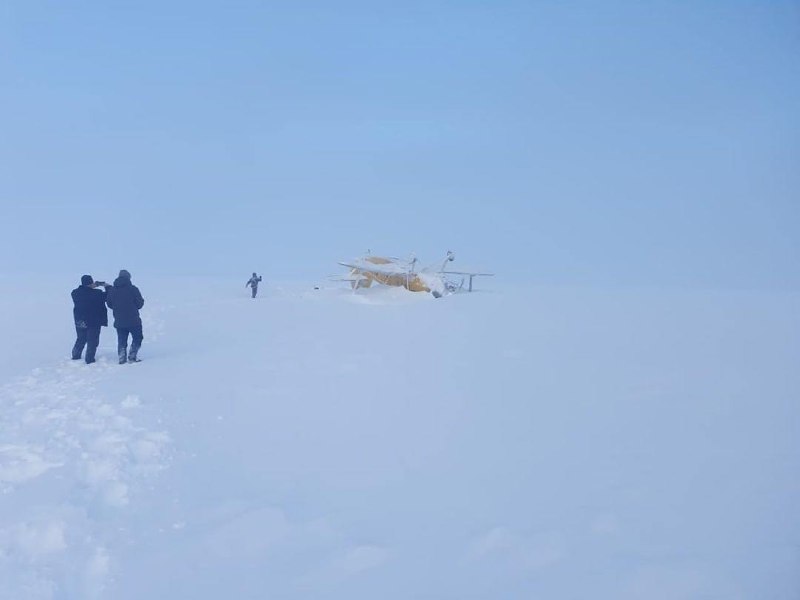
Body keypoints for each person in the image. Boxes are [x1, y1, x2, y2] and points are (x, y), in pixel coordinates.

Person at [106, 269, 145, 364]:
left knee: (122, 340)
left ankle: (122, 358)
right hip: (134, 320)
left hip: (119, 320)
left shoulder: (112, 290)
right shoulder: (133, 289)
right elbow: (140, 304)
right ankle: (132, 356)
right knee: (137, 337)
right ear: (129, 278)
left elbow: (109, 304)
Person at [71, 275, 110, 364]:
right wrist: (105, 285)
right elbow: (107, 295)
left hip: (80, 320)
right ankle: (89, 359)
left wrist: (91, 286)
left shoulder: (75, 293)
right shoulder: (97, 293)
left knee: (81, 338)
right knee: (92, 340)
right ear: (91, 283)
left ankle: (75, 355)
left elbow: (85, 290)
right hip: (93, 321)